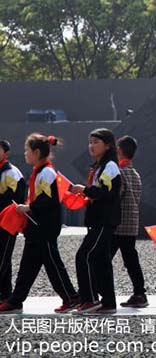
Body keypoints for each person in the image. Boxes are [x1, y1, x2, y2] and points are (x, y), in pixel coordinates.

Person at [0, 134, 79, 314]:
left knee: (53, 265)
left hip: (44, 227)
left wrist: (28, 208)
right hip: (36, 228)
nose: (25, 153)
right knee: (27, 267)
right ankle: (15, 300)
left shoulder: (46, 173)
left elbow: (49, 201)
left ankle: (71, 297)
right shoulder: (41, 172)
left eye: (27, 150)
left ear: (36, 152)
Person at [70, 128, 122, 314]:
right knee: (101, 261)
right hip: (99, 220)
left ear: (107, 146)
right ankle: (108, 302)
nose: (91, 146)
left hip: (104, 221)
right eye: (90, 142)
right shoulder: (99, 167)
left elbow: (108, 194)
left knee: (84, 256)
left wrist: (84, 190)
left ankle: (90, 299)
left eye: (96, 142)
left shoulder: (110, 167)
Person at [111, 135, 147, 308]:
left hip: (118, 224)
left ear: (118, 150)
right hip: (131, 223)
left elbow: (114, 198)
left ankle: (93, 292)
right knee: (131, 260)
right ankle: (140, 293)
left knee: (100, 259)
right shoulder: (135, 174)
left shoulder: (119, 173)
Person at [0, 140, 26, 304]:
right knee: (4, 258)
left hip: (7, 221)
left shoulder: (11, 173)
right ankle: (5, 294)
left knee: (2, 257)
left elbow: (17, 198)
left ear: (6, 154)